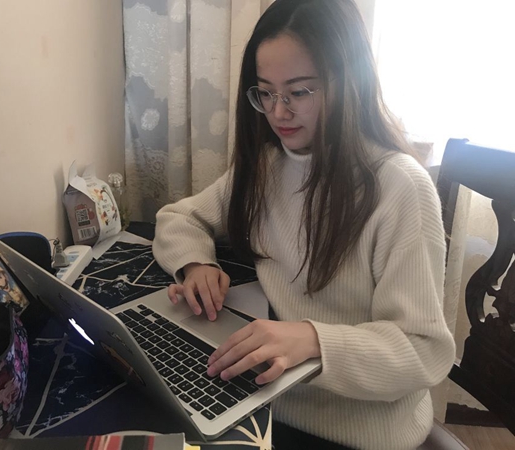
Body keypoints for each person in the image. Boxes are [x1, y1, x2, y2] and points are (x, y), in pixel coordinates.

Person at [152, 0, 456, 448]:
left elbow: (423, 350)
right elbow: (180, 217)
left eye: (299, 92)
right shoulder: (268, 164)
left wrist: (314, 339)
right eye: (266, 93)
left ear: (347, 83)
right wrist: (196, 264)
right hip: (267, 397)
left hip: (357, 428)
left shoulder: (398, 187)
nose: (278, 113)